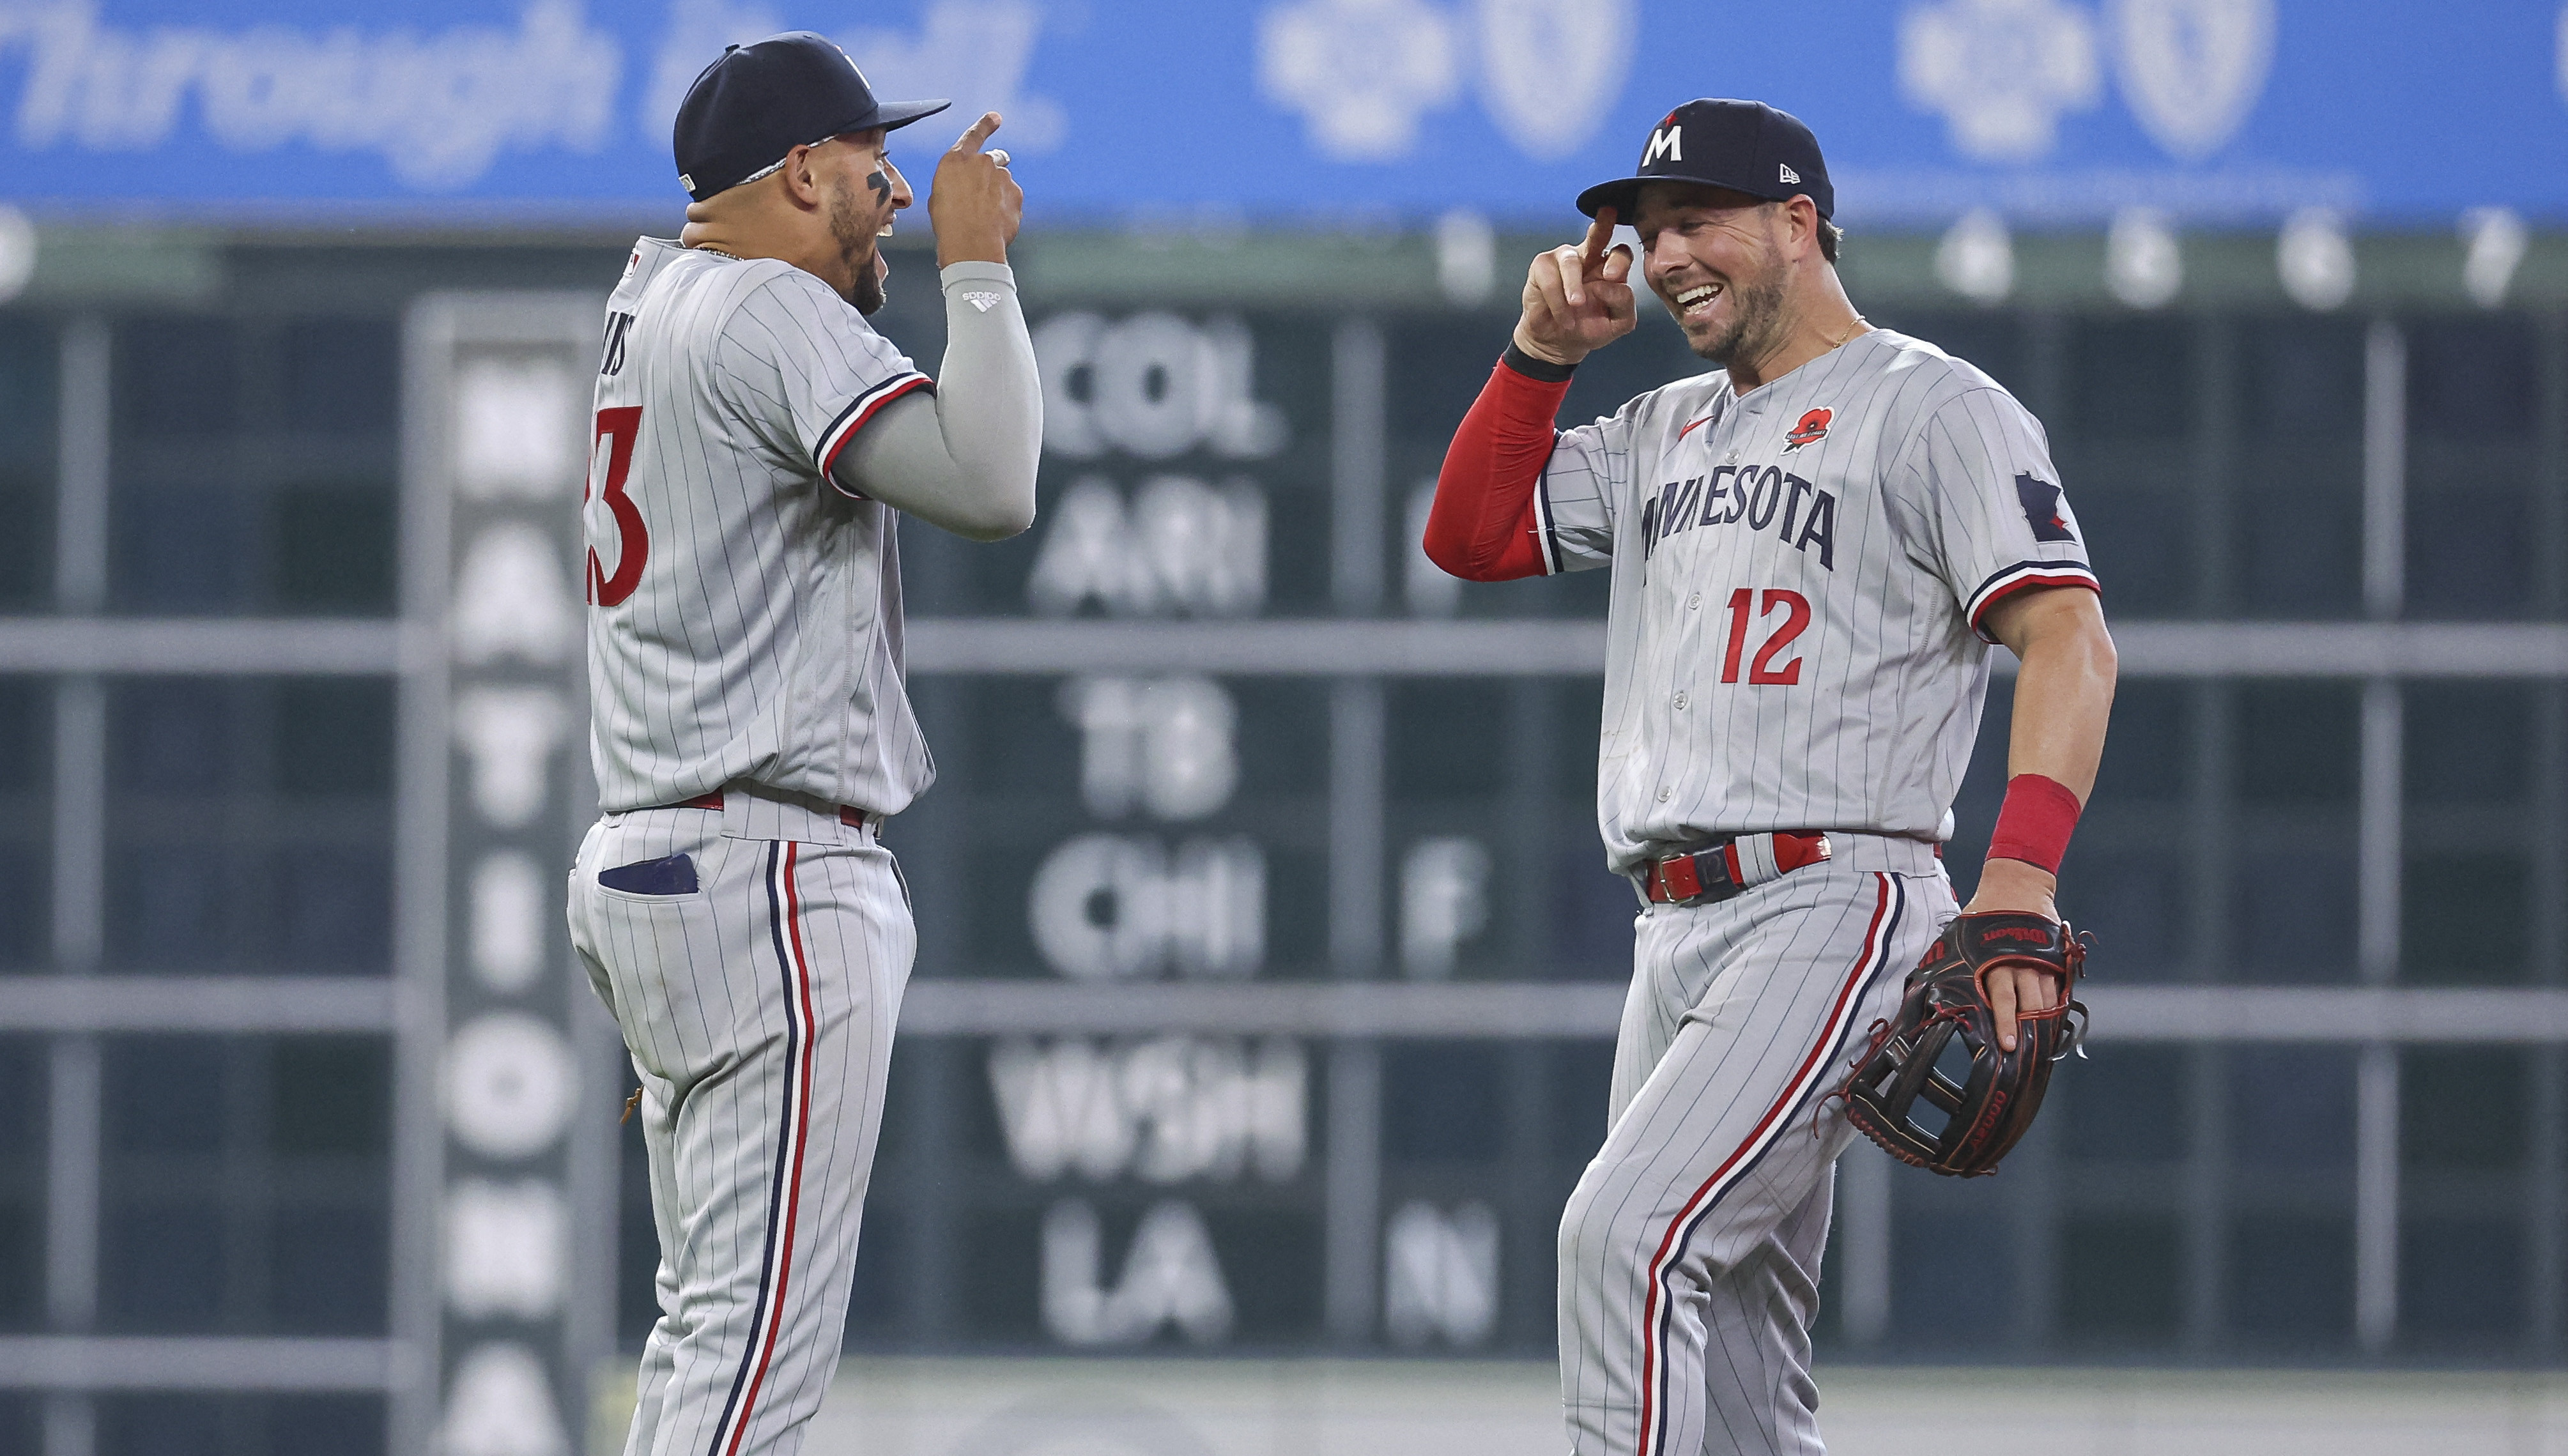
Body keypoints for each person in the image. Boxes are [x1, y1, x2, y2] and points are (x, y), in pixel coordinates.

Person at [1424, 99, 2117, 1456]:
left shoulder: (1933, 410)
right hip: (1673, 927)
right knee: (1731, 1344)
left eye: (1699, 222)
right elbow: (1472, 536)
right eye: (1649, 228)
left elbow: (2068, 635)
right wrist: (1538, 354)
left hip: (1832, 897)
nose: (1666, 253)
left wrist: (2020, 878)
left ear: (1801, 225)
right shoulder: (1658, 429)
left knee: (1623, 1240)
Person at [564, 32, 1039, 1456]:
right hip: (761, 868)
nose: (896, 189)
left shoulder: (655, 301)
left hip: (665, 858)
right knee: (752, 1359)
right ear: (801, 171)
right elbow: (993, 481)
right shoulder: (765, 309)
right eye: (874, 162)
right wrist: (982, 272)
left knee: (710, 1331)